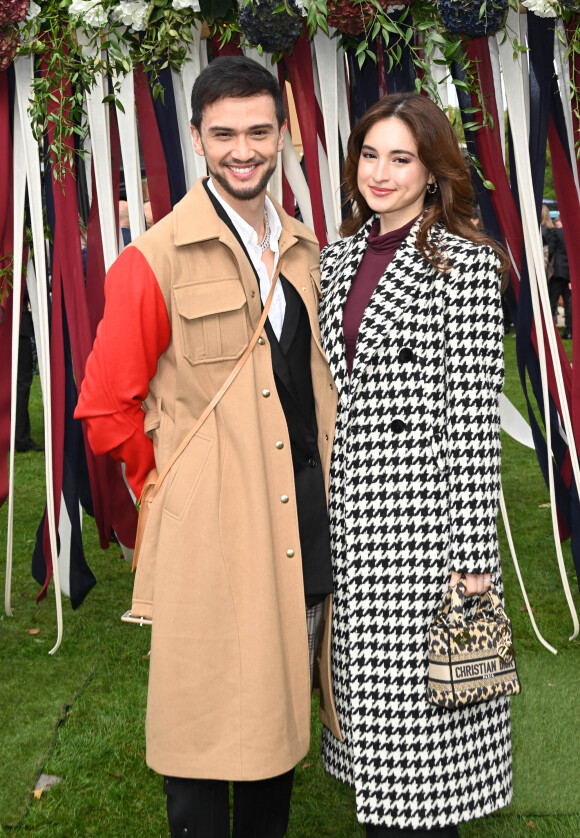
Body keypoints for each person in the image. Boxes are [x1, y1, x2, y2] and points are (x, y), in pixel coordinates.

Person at [75, 56, 341, 838]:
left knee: (280, 703)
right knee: (200, 718)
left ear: (284, 136)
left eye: (259, 131)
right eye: (223, 133)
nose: (243, 149)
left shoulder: (304, 248)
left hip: (302, 515)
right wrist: (178, 487)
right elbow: (104, 408)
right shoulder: (152, 259)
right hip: (210, 530)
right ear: (196, 137)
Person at [317, 92, 512, 837]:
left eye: (401, 158)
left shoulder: (465, 267)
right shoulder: (337, 259)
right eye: (370, 155)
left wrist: (472, 563)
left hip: (424, 545)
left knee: (426, 774)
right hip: (353, 535)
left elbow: (470, 423)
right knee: (380, 756)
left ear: (433, 171)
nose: (381, 172)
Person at [548, 215, 571, 339]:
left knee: (552, 301)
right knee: (568, 303)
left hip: (558, 271)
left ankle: (550, 330)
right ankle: (570, 330)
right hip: (570, 273)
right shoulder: (573, 232)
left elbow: (551, 250)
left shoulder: (557, 232)